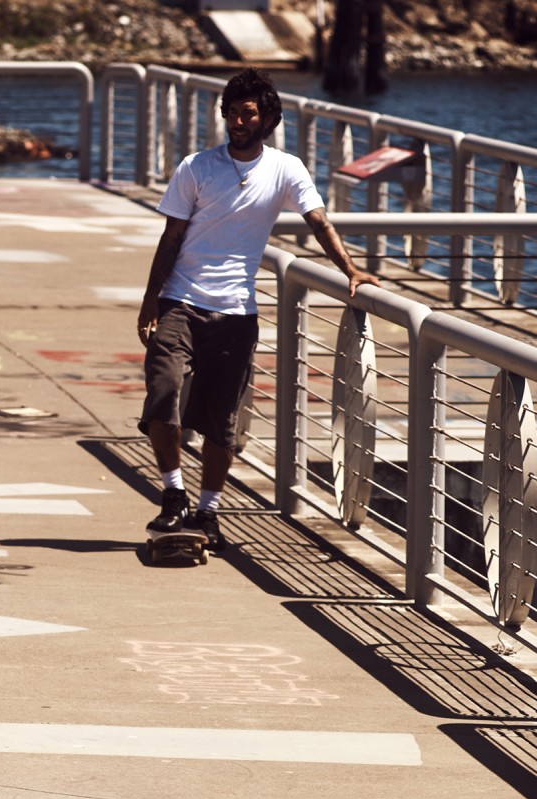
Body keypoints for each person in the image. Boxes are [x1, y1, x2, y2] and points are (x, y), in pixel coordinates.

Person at [136, 68, 379, 548]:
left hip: (235, 313)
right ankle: (173, 494)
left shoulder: (286, 169)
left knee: (221, 420)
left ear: (267, 118)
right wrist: (150, 302)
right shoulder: (196, 167)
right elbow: (171, 239)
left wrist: (351, 269)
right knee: (163, 395)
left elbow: (319, 222)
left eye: (248, 112)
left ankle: (207, 511)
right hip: (180, 300)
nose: (238, 120)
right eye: (232, 111)